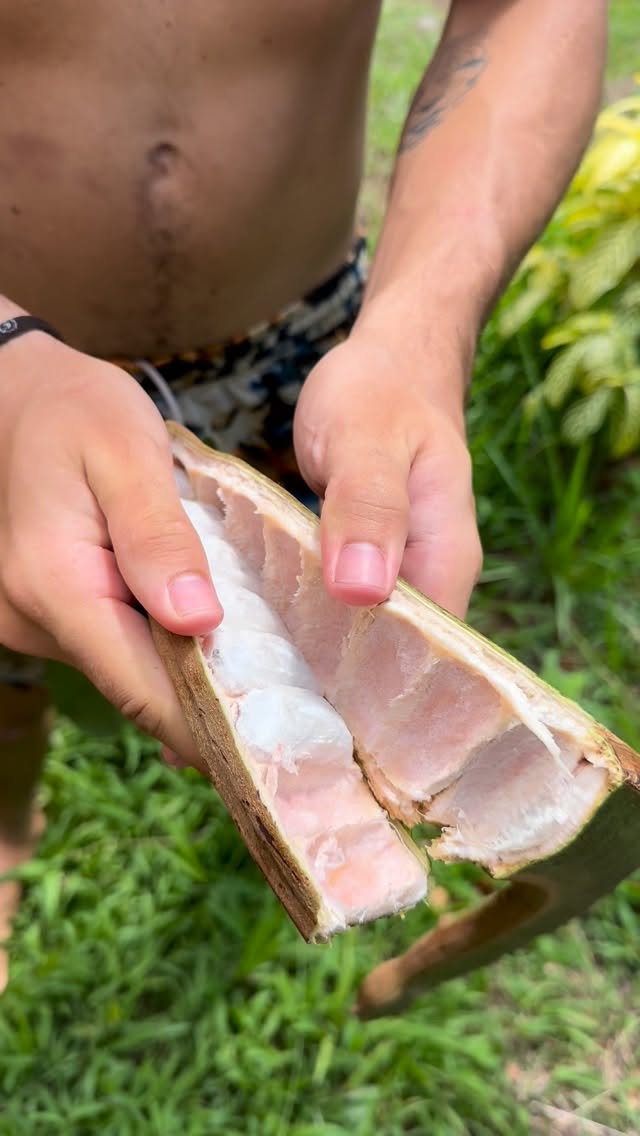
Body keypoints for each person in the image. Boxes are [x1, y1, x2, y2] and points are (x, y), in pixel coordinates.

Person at [0, 0, 607, 989]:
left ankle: (320, 802)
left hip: (309, 360)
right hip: (14, 379)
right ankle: (6, 826)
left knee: (327, 652)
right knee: (10, 671)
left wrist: (423, 326)